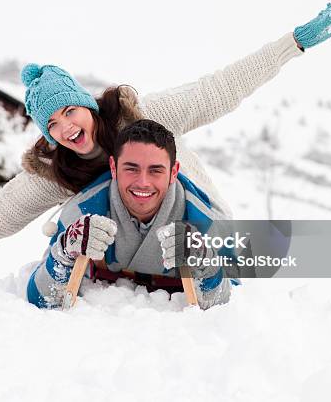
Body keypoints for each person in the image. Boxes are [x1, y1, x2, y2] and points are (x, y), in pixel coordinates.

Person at [0, 0, 331, 270]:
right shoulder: (54, 170)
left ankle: (218, 246)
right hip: (120, 255)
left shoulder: (143, 116)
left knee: (153, 163)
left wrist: (296, 43)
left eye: (70, 111)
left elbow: (218, 89)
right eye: (52, 124)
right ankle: (92, 253)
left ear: (88, 104)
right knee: (78, 207)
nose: (66, 127)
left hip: (190, 226)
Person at [28, 119, 238, 309]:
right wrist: (64, 253)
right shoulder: (84, 210)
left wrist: (206, 263)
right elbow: (38, 296)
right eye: (131, 169)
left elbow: (234, 299)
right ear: (113, 167)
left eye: (155, 170)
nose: (143, 182)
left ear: (174, 172)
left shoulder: (205, 221)